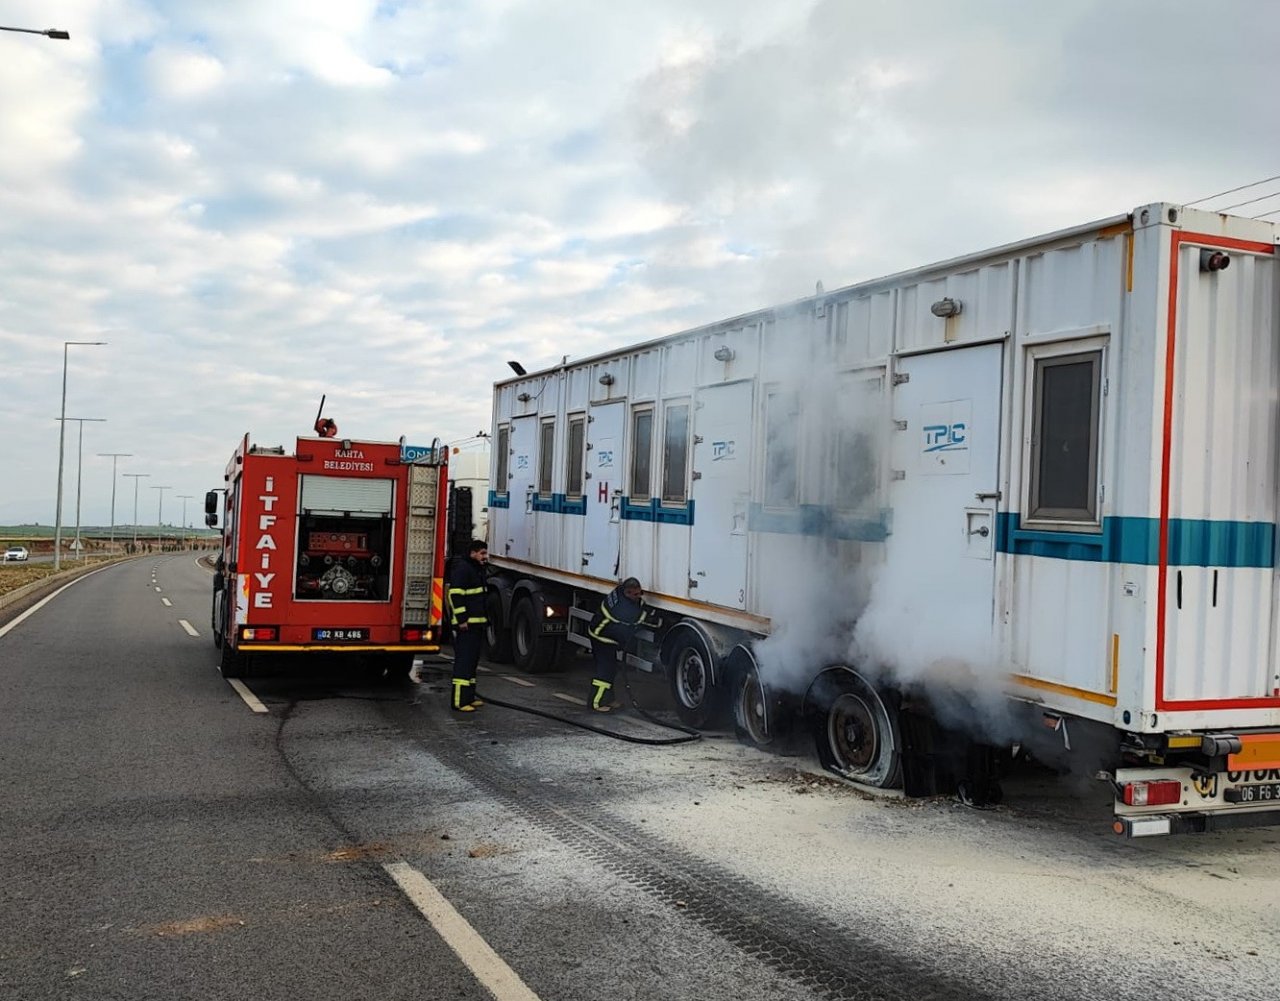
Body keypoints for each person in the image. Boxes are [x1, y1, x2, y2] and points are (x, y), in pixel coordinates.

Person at [586, 577, 654, 712]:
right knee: (605, 671)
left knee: (611, 669)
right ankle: (595, 703)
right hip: (602, 638)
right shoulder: (621, 608)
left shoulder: (619, 592)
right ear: (627, 592)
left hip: (603, 634)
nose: (639, 597)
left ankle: (609, 699)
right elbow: (639, 620)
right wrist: (656, 620)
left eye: (640, 593)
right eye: (636, 594)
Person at [447, 540, 489, 712]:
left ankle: (469, 697)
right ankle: (459, 701)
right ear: (472, 553)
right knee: (464, 663)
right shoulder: (463, 570)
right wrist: (462, 619)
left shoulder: (476, 570)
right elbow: (455, 595)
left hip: (476, 625)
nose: (485, 557)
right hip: (467, 626)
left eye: (485, 553)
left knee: (472, 662)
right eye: (482, 553)